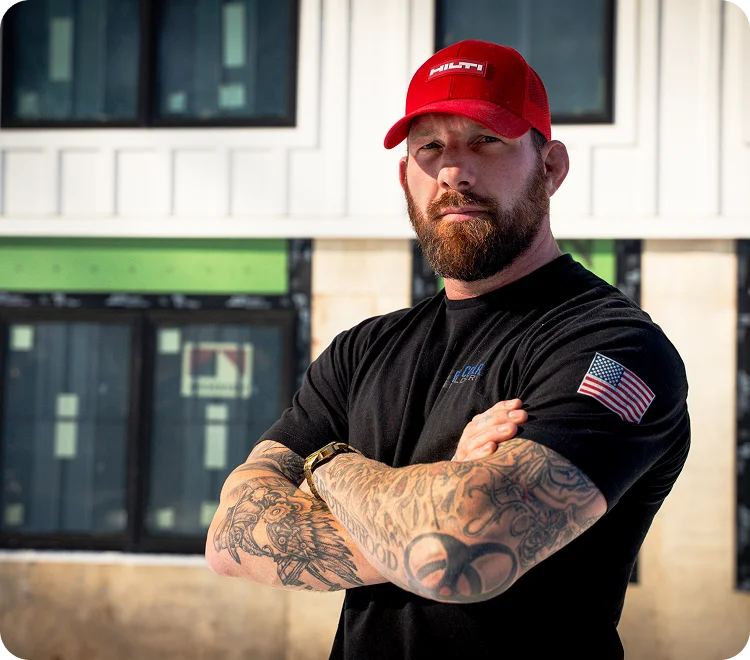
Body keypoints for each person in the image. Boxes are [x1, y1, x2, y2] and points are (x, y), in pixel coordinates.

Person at [206, 40, 690, 659]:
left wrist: (327, 466)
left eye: (486, 140)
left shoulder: (612, 346)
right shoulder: (362, 351)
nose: (453, 171)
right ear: (404, 176)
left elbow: (459, 555)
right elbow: (231, 537)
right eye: (430, 147)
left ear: (550, 167)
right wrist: (431, 505)